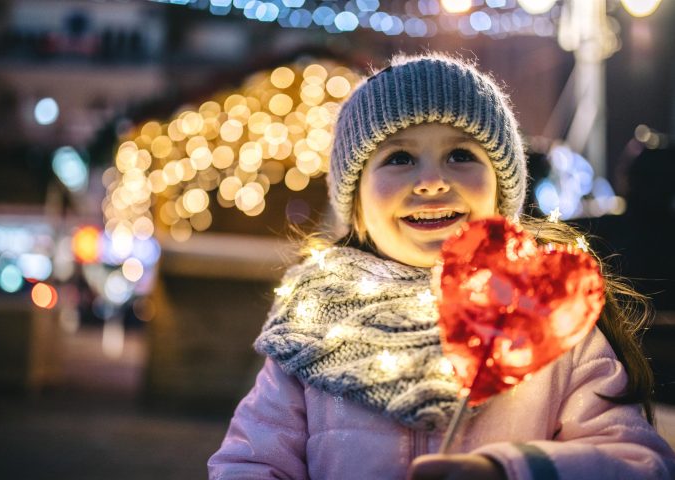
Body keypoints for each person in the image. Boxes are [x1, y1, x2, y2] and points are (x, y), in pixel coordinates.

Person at [208, 53, 675, 479]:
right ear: (355, 207)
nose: (431, 181)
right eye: (399, 158)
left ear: (502, 190)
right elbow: (250, 463)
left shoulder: (547, 312)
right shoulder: (310, 330)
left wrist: (508, 472)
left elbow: (636, 463)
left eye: (460, 155)